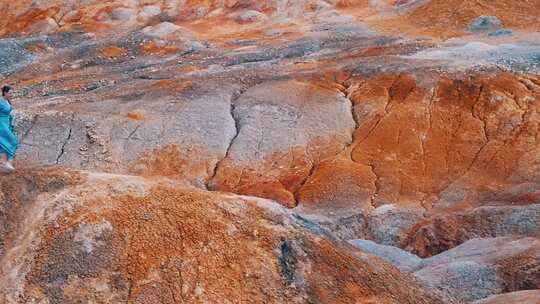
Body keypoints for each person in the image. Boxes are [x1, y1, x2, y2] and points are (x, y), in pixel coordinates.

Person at [0, 85, 18, 172]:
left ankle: (6, 163)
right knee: (13, 141)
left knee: (5, 143)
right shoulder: (0, 101)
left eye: (12, 93)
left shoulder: (7, 101)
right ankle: (8, 163)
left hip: (7, 124)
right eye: (10, 93)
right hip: (1, 125)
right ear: (5, 93)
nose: (12, 94)